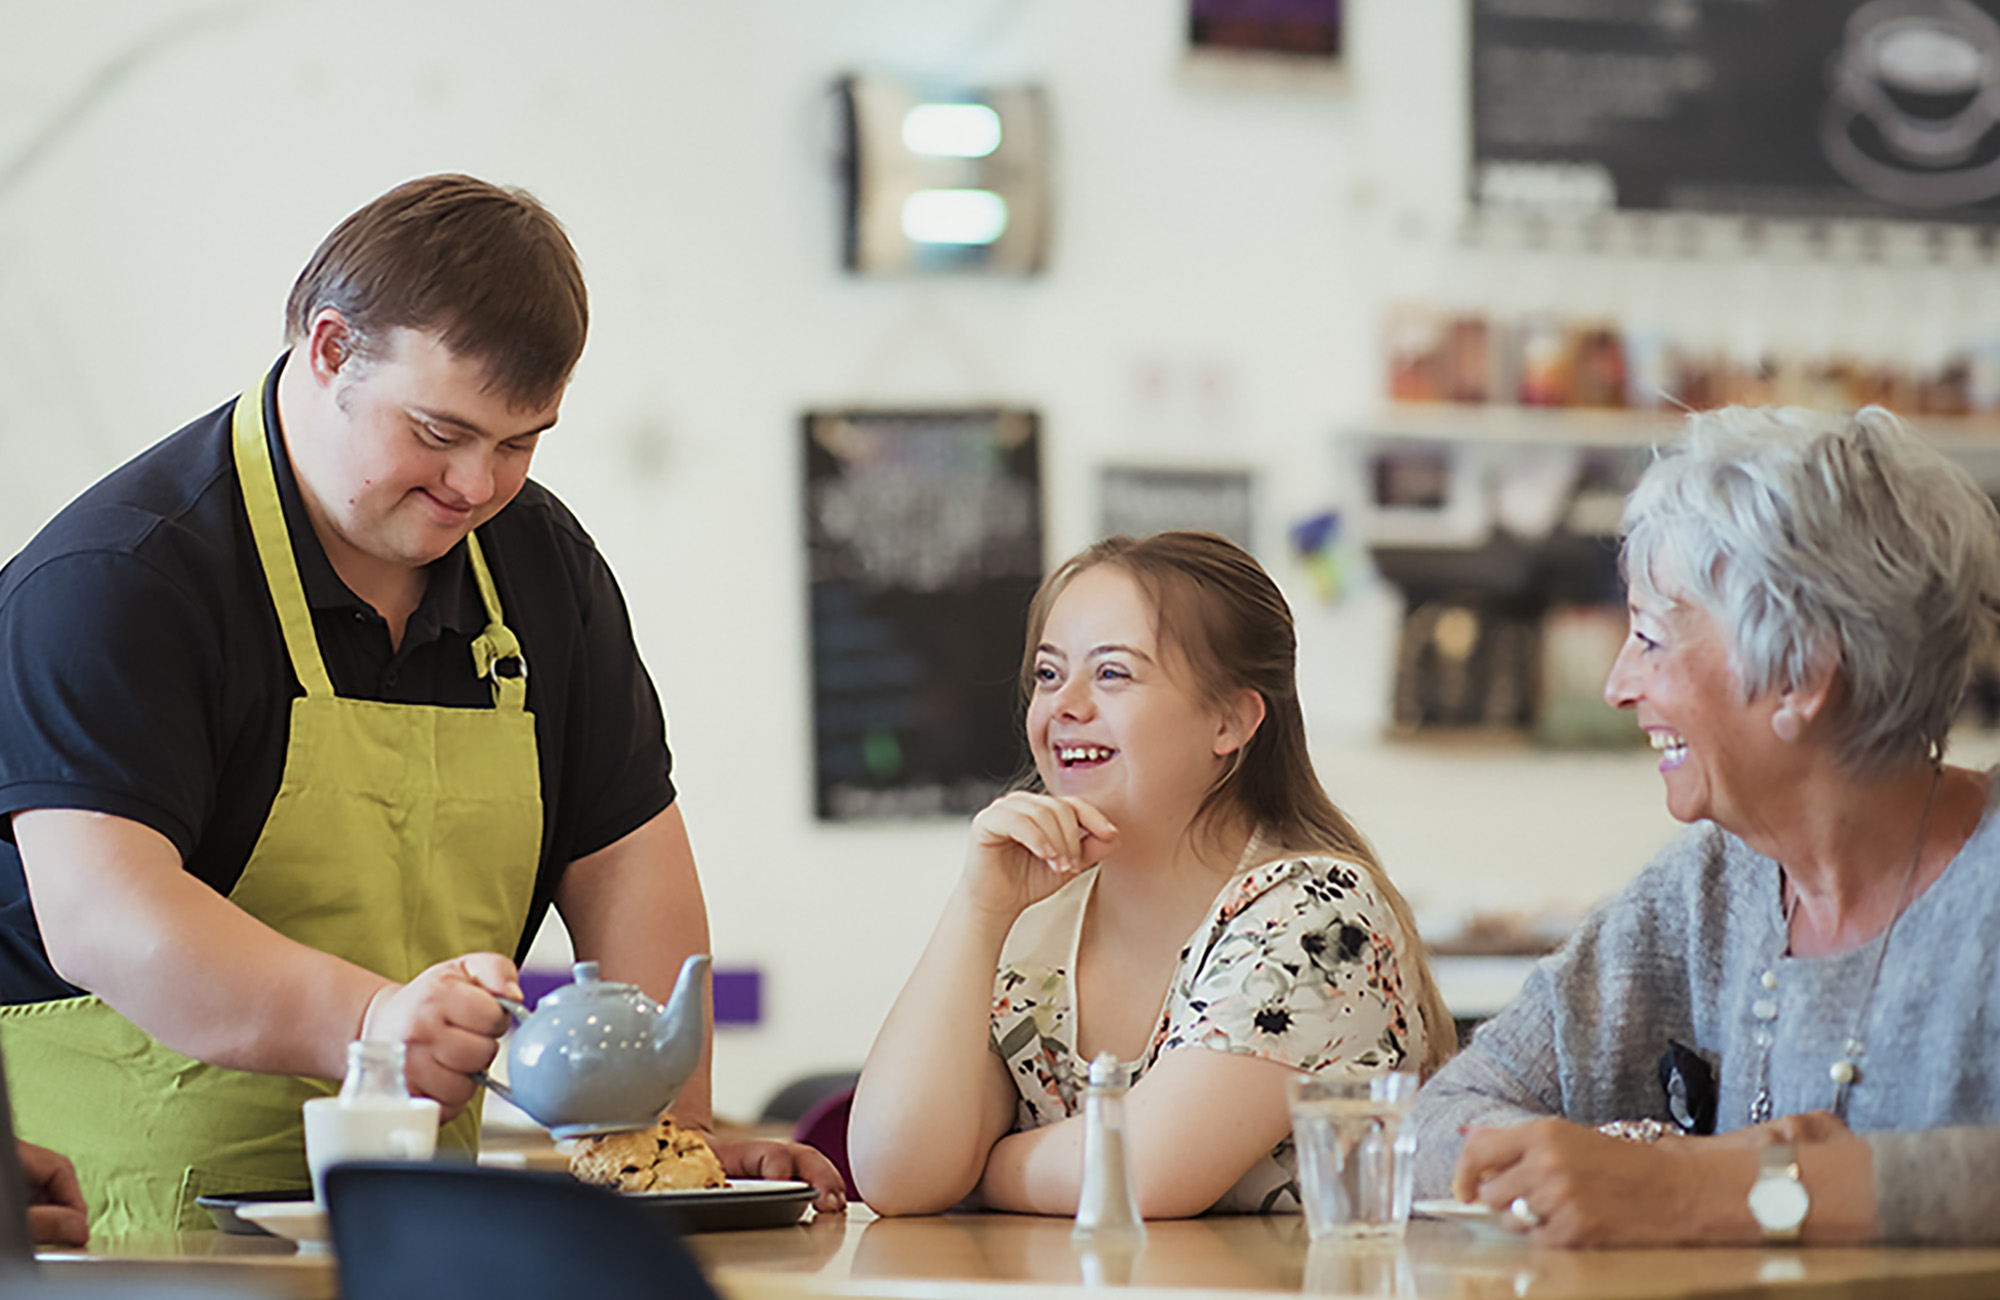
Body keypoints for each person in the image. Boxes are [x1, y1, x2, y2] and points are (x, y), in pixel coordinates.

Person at [0, 174, 842, 1233]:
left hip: (413, 1233)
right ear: (329, 349)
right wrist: (373, 1020)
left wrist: (672, 1130)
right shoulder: (121, 579)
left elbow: (627, 855)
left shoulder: (540, 566)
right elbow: (103, 915)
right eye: (439, 432)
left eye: (521, 441)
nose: (477, 485)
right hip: (121, 1237)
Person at [1412, 405, 2000, 1247]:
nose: (1617, 685)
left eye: (1650, 639)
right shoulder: (1708, 888)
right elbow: (1447, 1118)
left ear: (1801, 672)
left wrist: (1706, 1190)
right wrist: (1636, 1158)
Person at [849, 531, 1453, 1217]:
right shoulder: (1032, 920)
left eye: (1112, 674)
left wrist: (975, 1172)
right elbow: (895, 1172)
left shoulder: (1320, 913)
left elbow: (1139, 1176)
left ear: (1230, 719)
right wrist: (978, 909)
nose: (1063, 706)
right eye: (1049, 675)